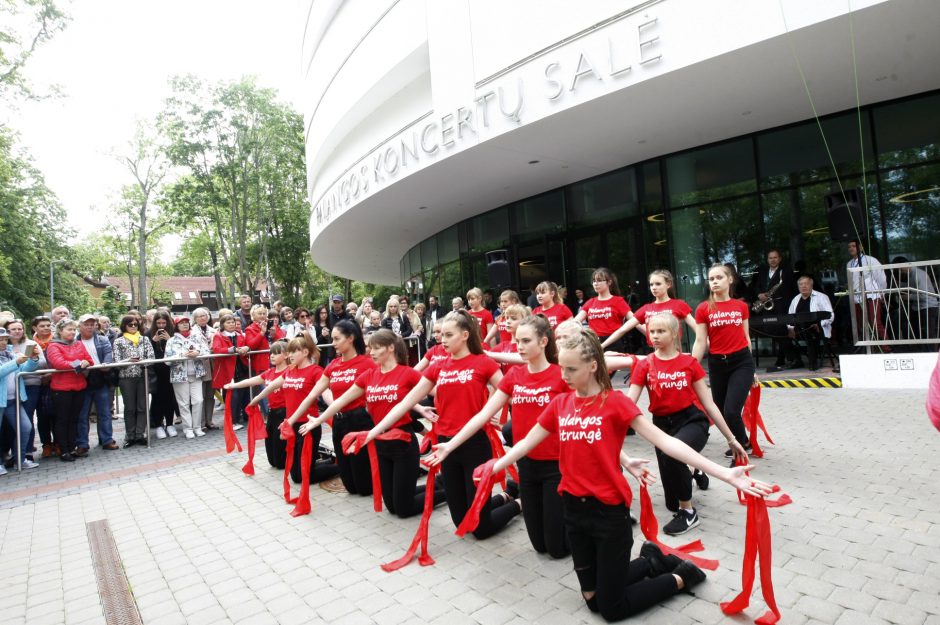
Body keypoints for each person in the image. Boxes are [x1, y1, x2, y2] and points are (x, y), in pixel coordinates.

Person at [484, 326, 770, 622]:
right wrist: (494, 467)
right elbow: (527, 442)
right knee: (593, 599)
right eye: (562, 368)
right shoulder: (560, 404)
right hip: (573, 510)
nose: (564, 375)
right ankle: (650, 561)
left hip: (609, 514)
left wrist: (725, 474)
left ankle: (681, 577)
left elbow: (667, 442)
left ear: (593, 366)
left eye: (571, 369)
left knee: (611, 609)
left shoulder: (616, 403)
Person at [427, 314, 570, 557]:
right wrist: (449, 446)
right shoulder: (515, 376)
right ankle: (518, 502)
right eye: (517, 341)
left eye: (525, 341)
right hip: (525, 462)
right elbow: (482, 416)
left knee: (556, 549)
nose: (520, 346)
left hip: (557, 464)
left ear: (544, 341)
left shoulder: (562, 375)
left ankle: (583, 527)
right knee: (539, 546)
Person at [371, 310, 521, 538]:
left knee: (480, 529)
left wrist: (491, 409)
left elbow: (508, 392)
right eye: (441, 335)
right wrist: (373, 431)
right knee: (461, 523)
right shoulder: (439, 366)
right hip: (444, 446)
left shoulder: (483, 362)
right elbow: (406, 402)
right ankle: (504, 496)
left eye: (449, 335)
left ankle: (518, 503)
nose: (442, 339)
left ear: (465, 335)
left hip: (475, 444)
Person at [301, 330, 446, 517]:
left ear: (391, 348)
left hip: (403, 442)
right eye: (370, 348)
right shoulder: (369, 375)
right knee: (392, 506)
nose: (372, 352)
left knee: (403, 509)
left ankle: (447, 493)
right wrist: (319, 420)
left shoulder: (408, 373)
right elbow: (340, 401)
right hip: (381, 444)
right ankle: (435, 486)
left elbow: (441, 391)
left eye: (376, 348)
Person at [627, 314, 747, 534]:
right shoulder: (645, 365)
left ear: (675, 334)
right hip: (661, 426)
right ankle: (693, 469)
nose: (655, 336)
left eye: (661, 331)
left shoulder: (689, 362)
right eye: (652, 331)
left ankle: (689, 513)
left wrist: (732, 439)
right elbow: (627, 405)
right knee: (670, 503)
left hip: (692, 421)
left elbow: (709, 405)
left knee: (672, 457)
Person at [285, 320, 377, 496]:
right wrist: (291, 421)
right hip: (339, 422)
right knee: (350, 486)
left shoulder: (367, 363)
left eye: (336, 338)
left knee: (364, 488)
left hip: (360, 421)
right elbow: (312, 395)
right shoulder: (333, 365)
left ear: (350, 338)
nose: (332, 343)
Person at [247, 334, 340, 485]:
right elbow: (271, 386)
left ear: (305, 352)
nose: (289, 355)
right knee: (295, 473)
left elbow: (325, 392)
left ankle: (339, 467)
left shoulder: (316, 371)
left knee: (301, 477)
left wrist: (337, 407)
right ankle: (324, 458)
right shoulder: (290, 371)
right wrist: (255, 400)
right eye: (288, 352)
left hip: (307, 426)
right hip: (292, 425)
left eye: (293, 352)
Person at [692, 264, 753, 458]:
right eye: (711, 279)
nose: (715, 282)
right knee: (719, 409)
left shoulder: (741, 306)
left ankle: (740, 447)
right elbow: (700, 341)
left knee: (732, 410)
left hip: (742, 362)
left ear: (730, 280)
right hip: (717, 364)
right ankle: (743, 440)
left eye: (719, 277)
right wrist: (690, 368)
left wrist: (753, 371)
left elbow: (746, 337)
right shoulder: (703, 308)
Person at [225, 340, 290, 468]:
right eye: (271, 353)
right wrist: (233, 385)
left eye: (276, 353)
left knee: (280, 463)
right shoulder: (269, 373)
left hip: (285, 414)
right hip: (272, 414)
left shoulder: (290, 372)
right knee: (272, 461)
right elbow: (251, 380)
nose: (272, 356)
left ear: (287, 355)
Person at [602, 269, 696, 352]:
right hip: (654, 353)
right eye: (651, 284)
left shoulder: (678, 304)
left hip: (674, 352)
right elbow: (622, 330)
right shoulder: (646, 308)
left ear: (669, 284)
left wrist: (702, 347)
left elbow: (697, 329)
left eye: (658, 284)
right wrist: (602, 346)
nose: (654, 287)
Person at [45, 319, 93, 462]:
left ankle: (72, 447)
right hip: (62, 389)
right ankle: (64, 450)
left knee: (74, 419)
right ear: (60, 331)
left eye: (73, 330)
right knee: (62, 420)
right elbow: (58, 363)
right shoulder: (53, 345)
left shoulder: (78, 343)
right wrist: (78, 364)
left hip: (79, 387)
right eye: (69, 330)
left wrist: (85, 362)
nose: (72, 332)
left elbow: (89, 360)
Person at [75, 314, 117, 453]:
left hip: (100, 378)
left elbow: (108, 355)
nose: (89, 327)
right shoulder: (74, 342)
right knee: (82, 414)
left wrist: (106, 364)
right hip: (81, 380)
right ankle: (82, 443)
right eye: (86, 324)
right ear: (79, 326)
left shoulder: (103, 339)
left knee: (104, 412)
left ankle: (107, 440)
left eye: (92, 324)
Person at [0, 327, 41, 471]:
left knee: (25, 427)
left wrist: (33, 358)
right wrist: (16, 362)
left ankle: (20, 459)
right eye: (0, 339)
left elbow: (25, 369)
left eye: (5, 339)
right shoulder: (13, 357)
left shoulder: (11, 354)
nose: (3, 342)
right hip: (1, 401)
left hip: (13, 400)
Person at [750, 249, 797, 372]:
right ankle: (786, 357)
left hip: (781, 305)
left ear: (780, 259)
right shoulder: (763, 272)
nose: (773, 260)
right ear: (767, 260)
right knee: (770, 329)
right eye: (770, 258)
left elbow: (790, 288)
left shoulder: (785, 271)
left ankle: (791, 358)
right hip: (767, 304)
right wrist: (759, 294)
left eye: (775, 257)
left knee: (780, 330)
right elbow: (757, 286)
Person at [112, 315, 155, 447]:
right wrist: (128, 361)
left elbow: (151, 356)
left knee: (142, 407)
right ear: (124, 326)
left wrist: (143, 362)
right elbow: (116, 361)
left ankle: (140, 434)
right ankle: (130, 436)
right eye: (130, 325)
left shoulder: (144, 339)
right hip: (126, 377)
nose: (133, 327)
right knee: (130, 408)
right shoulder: (118, 341)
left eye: (135, 324)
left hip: (142, 375)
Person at [166, 317, 211, 438]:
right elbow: (167, 360)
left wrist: (198, 353)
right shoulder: (171, 340)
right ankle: (188, 428)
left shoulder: (197, 337)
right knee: (184, 403)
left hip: (196, 374)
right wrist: (182, 355)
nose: (185, 325)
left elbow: (207, 352)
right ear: (176, 326)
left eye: (186, 323)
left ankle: (197, 427)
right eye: (181, 323)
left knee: (198, 400)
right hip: (179, 376)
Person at [7, 319, 46, 461]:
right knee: (11, 423)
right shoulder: (6, 347)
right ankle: (12, 453)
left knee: (27, 419)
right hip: (9, 388)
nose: (17, 331)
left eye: (20, 328)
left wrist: (31, 358)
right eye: (13, 329)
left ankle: (26, 452)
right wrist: (16, 361)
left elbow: (42, 362)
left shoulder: (30, 344)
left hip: (30, 384)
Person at [575, 268, 634, 352]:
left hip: (613, 341)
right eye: (594, 281)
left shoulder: (618, 301)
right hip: (594, 342)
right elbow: (575, 321)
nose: (596, 283)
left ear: (609, 282)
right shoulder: (591, 302)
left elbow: (635, 320)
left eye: (599, 280)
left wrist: (649, 333)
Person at [786, 275, 835, 371]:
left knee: (808, 331)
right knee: (782, 333)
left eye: (806, 284)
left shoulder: (821, 297)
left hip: (817, 328)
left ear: (811, 285)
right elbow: (789, 317)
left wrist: (820, 324)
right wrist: (790, 328)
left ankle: (813, 363)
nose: (804, 286)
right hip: (799, 328)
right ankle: (797, 360)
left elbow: (830, 315)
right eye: (801, 284)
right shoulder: (795, 299)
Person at [211, 314, 251, 429]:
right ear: (223, 324)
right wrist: (232, 350)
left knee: (243, 394)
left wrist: (247, 348)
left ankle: (240, 418)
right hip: (227, 370)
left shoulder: (239, 335)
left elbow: (247, 345)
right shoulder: (218, 336)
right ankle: (232, 421)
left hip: (241, 368)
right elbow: (216, 349)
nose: (231, 324)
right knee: (232, 396)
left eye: (233, 322)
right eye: (228, 322)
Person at [847, 240, 888, 347]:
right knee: (861, 325)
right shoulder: (849, 263)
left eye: (853, 246)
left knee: (875, 323)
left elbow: (881, 278)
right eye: (849, 247)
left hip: (871, 296)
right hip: (857, 299)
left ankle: (887, 348)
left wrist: (882, 293)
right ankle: (870, 348)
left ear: (860, 247)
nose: (851, 248)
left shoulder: (870, 260)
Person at [147, 311, 178, 439]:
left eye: (164, 323)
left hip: (170, 370)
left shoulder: (174, 333)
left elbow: (178, 351)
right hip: (156, 371)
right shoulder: (148, 334)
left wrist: (169, 340)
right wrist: (153, 342)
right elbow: (147, 354)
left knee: (170, 397)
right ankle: (159, 424)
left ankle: (170, 423)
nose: (161, 326)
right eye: (158, 323)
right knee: (157, 399)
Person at [30, 316, 57, 457]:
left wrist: (51, 375)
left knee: (57, 414)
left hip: (56, 381)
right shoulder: (30, 344)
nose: (46, 328)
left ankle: (58, 442)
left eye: (48, 325)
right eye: (42, 326)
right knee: (42, 415)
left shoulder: (57, 340)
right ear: (35, 328)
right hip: (37, 383)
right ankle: (46, 444)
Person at [191, 307, 217, 430]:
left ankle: (209, 420)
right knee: (199, 396)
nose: (203, 318)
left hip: (212, 365)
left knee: (210, 395)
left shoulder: (213, 331)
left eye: (205, 315)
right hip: (199, 365)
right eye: (200, 316)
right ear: (195, 319)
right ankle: (199, 423)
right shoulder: (192, 331)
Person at [244, 305, 286, 376]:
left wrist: (274, 335)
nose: (262, 315)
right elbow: (251, 345)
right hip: (261, 364)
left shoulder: (271, 325)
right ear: (253, 315)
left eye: (264, 313)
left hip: (276, 361)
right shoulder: (249, 329)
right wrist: (262, 333)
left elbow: (283, 342)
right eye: (260, 314)